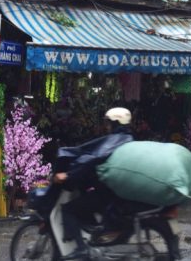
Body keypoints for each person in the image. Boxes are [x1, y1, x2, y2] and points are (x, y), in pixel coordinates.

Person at [53, 107, 133, 257]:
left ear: (116, 122)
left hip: (107, 194)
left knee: (69, 209)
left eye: (108, 123)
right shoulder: (127, 138)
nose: (106, 126)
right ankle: (93, 238)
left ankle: (81, 248)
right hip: (114, 193)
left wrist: (69, 175)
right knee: (85, 200)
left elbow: (92, 159)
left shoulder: (114, 140)